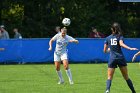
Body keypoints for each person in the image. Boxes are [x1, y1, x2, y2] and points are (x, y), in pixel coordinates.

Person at [103, 22, 137, 93]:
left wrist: (109, 49)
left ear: (112, 29)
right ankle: (133, 91)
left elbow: (105, 50)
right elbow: (121, 44)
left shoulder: (108, 38)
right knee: (126, 77)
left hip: (112, 58)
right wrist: (130, 48)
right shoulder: (120, 36)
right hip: (120, 58)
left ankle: (107, 90)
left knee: (109, 77)